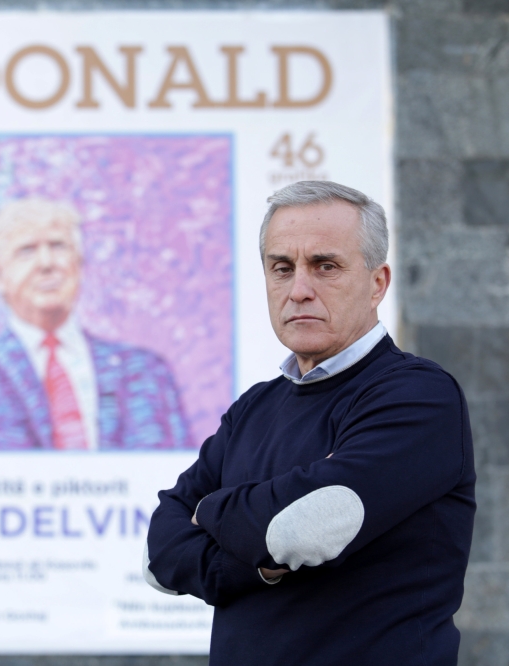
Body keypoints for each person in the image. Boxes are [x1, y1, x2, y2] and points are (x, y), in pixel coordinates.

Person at [144, 180, 475, 665]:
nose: (299, 289)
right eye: (282, 268)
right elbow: (160, 556)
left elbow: (303, 529)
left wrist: (210, 509)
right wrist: (260, 566)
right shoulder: (254, 407)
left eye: (325, 266)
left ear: (377, 283)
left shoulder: (419, 396)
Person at [0, 188, 191, 450]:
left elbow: (187, 487)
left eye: (58, 246)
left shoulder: (147, 375)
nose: (46, 263)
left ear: (79, 264)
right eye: (26, 250)